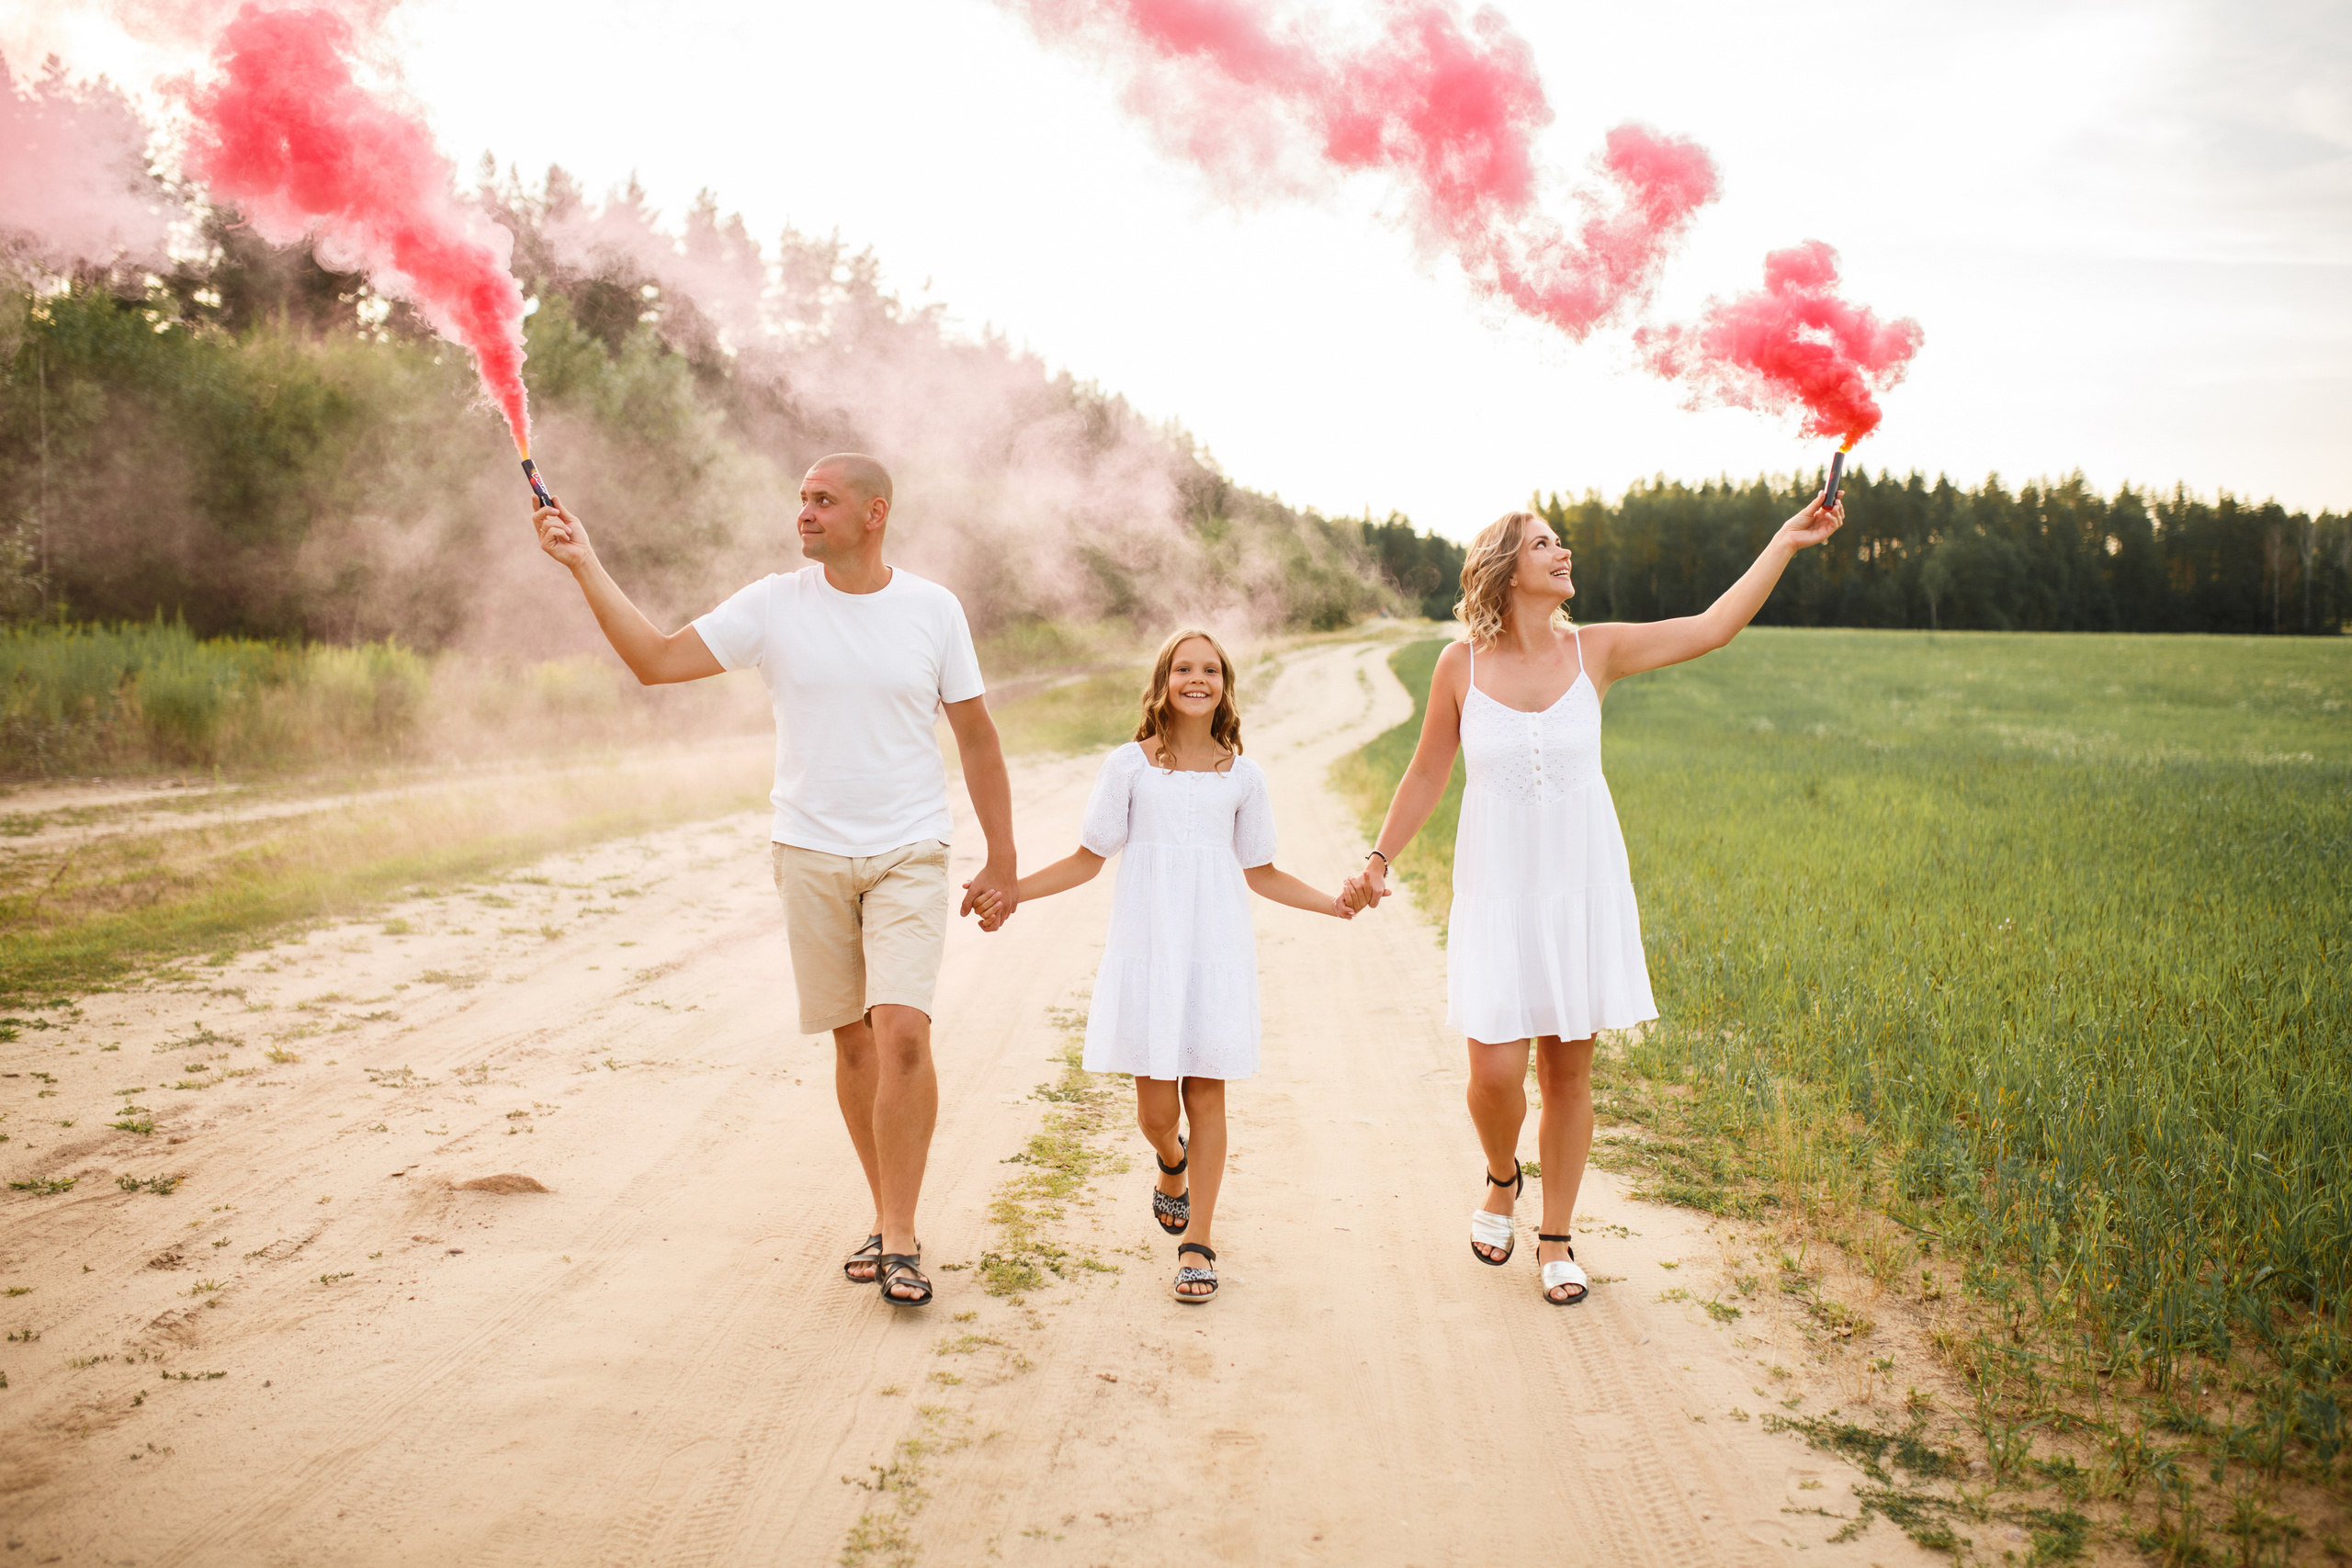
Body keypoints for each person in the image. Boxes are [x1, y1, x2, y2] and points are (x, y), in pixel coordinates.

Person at [531, 454, 1018, 1309]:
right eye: (800, 499)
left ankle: (900, 1235)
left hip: (910, 848)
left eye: (822, 500)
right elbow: (654, 660)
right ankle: (885, 1211)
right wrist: (585, 563)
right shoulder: (772, 604)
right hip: (810, 851)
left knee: (902, 1030)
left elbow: (977, 737)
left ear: (875, 513)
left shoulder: (933, 610)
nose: (804, 513)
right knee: (855, 1042)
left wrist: (1002, 857)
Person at [1344, 492, 1844, 1305]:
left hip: (1578, 885)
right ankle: (1502, 1175)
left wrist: (1786, 540)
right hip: (1499, 888)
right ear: (1508, 571)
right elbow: (1429, 770)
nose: (1563, 552)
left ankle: (1556, 1236)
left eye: (1561, 542)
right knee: (1496, 1071)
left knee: (1570, 1073)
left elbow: (1714, 626)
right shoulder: (1458, 665)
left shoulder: (1597, 651)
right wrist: (1378, 858)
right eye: (1546, 544)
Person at [971, 629, 1353, 1303]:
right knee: (1155, 1111)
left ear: (1226, 685)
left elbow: (1262, 872)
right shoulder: (1129, 767)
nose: (1196, 677)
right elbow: (1087, 859)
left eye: (1210, 668)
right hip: (1150, 950)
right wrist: (1011, 891)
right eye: (1184, 667)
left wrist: (1333, 904)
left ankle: (1197, 1242)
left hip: (1214, 952)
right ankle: (1170, 1162)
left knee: (1207, 1093)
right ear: (1164, 681)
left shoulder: (1244, 777)